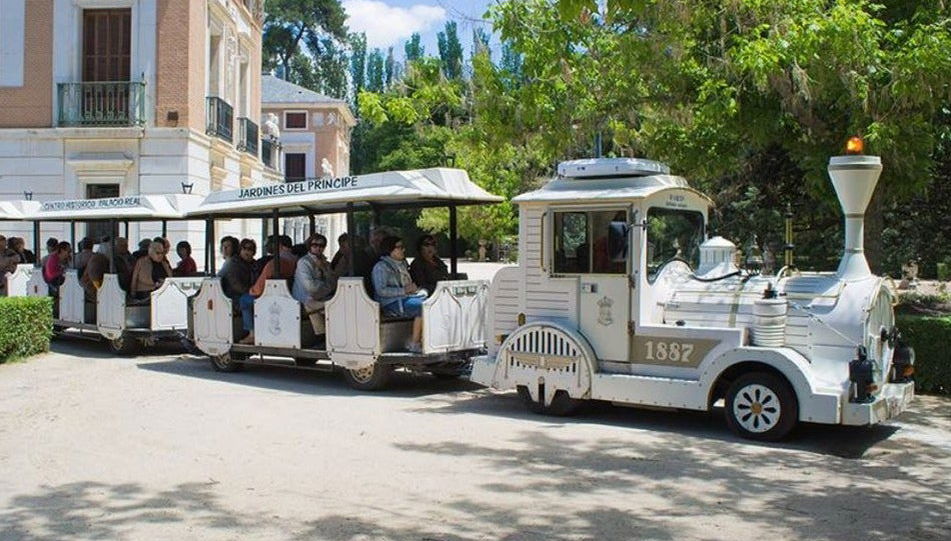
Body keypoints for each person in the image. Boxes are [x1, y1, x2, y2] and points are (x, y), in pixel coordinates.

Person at [238, 235, 298, 344]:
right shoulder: (295, 259)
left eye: (269, 244)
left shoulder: (275, 263)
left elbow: (259, 288)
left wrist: (251, 290)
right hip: (288, 295)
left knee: (244, 300)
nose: (266, 247)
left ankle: (252, 333)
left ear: (278, 245)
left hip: (273, 297)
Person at [372, 236, 426, 353]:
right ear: (390, 249)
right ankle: (414, 343)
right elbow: (381, 291)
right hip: (390, 303)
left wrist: (415, 290)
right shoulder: (381, 267)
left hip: (405, 298)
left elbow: (407, 284)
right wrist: (404, 290)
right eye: (400, 247)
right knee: (423, 307)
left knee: (431, 302)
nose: (403, 250)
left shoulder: (402, 264)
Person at [292, 234, 337, 333]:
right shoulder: (304, 262)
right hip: (305, 299)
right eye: (315, 245)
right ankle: (324, 335)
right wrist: (326, 287)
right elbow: (311, 288)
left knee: (339, 303)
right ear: (309, 246)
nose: (318, 248)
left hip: (320, 297)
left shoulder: (325, 262)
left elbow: (334, 283)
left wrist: (324, 270)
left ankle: (325, 335)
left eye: (322, 245)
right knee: (335, 307)